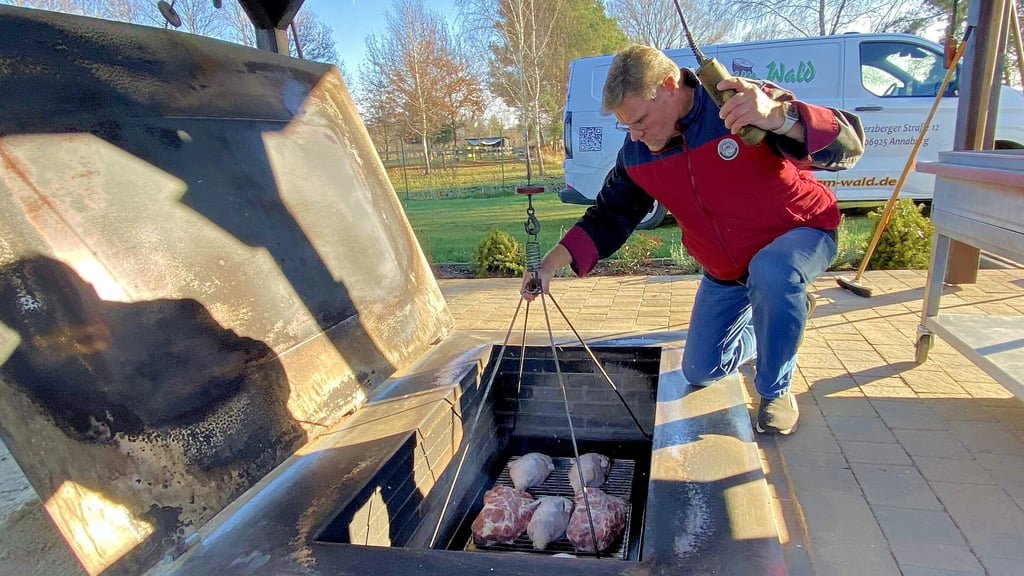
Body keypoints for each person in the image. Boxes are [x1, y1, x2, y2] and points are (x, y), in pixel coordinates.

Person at [522, 44, 865, 435]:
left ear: (670, 85)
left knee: (772, 272)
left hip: (800, 233)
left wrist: (781, 118)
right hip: (726, 269)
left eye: (641, 120)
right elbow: (610, 215)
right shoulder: (637, 153)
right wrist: (548, 264)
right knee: (700, 370)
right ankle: (785, 315)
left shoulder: (739, 104)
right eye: (626, 125)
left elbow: (848, 144)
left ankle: (775, 389)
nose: (635, 134)